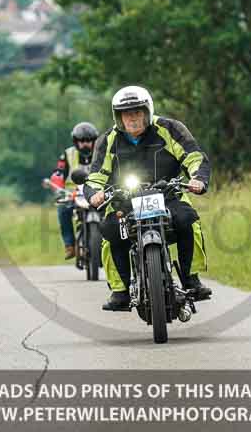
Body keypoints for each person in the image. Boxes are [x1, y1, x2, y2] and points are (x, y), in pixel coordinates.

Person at [83, 86, 212, 310]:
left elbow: (193, 155)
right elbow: (96, 175)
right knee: (110, 230)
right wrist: (94, 193)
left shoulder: (170, 128)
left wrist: (198, 178)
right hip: (125, 201)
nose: (132, 117)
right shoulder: (108, 140)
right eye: (126, 113)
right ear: (118, 116)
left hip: (168, 196)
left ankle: (192, 279)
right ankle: (120, 291)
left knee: (188, 220)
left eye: (137, 112)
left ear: (147, 111)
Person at [44, 122, 98, 260]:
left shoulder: (101, 153)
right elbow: (58, 173)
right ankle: (70, 245)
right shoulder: (68, 154)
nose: (85, 144)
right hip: (74, 195)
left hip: (97, 194)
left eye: (88, 141)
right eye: (82, 141)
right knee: (62, 209)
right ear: (76, 141)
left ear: (94, 141)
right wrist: (57, 187)